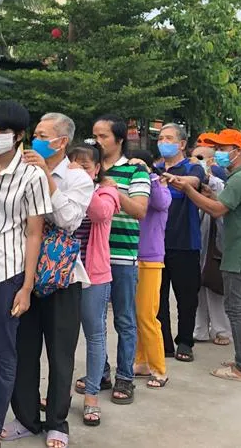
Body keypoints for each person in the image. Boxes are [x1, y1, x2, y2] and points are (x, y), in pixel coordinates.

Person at [0, 100, 52, 448]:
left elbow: (34, 233)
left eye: (0, 131)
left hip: (8, 271)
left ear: (18, 136)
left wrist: (26, 287)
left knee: (1, 352)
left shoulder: (32, 176)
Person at [4, 113, 93, 448]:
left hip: (62, 278)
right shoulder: (21, 169)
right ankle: (26, 417)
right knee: (23, 349)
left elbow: (69, 220)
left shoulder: (77, 177)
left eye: (44, 135)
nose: (37, 140)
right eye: (36, 134)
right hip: (22, 272)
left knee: (60, 353)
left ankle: (57, 422)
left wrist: (46, 176)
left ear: (62, 142)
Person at [167, 129, 241, 383]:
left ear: (238, 151)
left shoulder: (240, 179)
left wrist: (188, 190)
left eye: (223, 149)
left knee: (238, 311)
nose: (218, 154)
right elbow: (226, 204)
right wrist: (208, 193)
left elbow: (217, 210)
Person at [91, 115, 150, 404]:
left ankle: (125, 377)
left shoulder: (135, 171)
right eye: (94, 136)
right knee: (94, 320)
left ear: (119, 139)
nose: (98, 141)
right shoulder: (89, 168)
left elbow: (140, 211)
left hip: (123, 255)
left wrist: (112, 188)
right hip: (93, 255)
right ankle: (100, 373)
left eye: (103, 136)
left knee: (125, 319)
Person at [67, 142, 120, 427]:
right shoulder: (62, 188)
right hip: (65, 275)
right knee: (63, 338)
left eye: (85, 166)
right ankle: (59, 394)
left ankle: (91, 396)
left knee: (95, 335)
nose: (78, 171)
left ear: (97, 169)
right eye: (73, 165)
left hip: (94, 276)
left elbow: (100, 214)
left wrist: (82, 183)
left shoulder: (106, 192)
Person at [154, 124, 206, 362]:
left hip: (185, 242)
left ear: (182, 144)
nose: (163, 142)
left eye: (169, 138)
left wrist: (173, 179)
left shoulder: (192, 167)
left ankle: (185, 341)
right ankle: (163, 343)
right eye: (160, 138)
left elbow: (194, 181)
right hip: (156, 244)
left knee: (187, 297)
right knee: (157, 298)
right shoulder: (154, 168)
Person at [130, 150, 172, 389]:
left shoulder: (159, 189)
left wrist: (150, 175)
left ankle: (159, 369)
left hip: (150, 259)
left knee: (147, 315)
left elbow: (161, 203)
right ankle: (142, 362)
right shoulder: (132, 188)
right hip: (131, 256)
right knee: (136, 315)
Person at [192, 143, 232, 346]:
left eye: (200, 158)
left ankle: (222, 330)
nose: (195, 161)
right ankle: (200, 329)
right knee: (196, 286)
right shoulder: (188, 180)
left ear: (211, 161)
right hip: (195, 242)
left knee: (214, 286)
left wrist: (205, 177)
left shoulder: (218, 182)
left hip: (215, 241)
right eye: (193, 158)